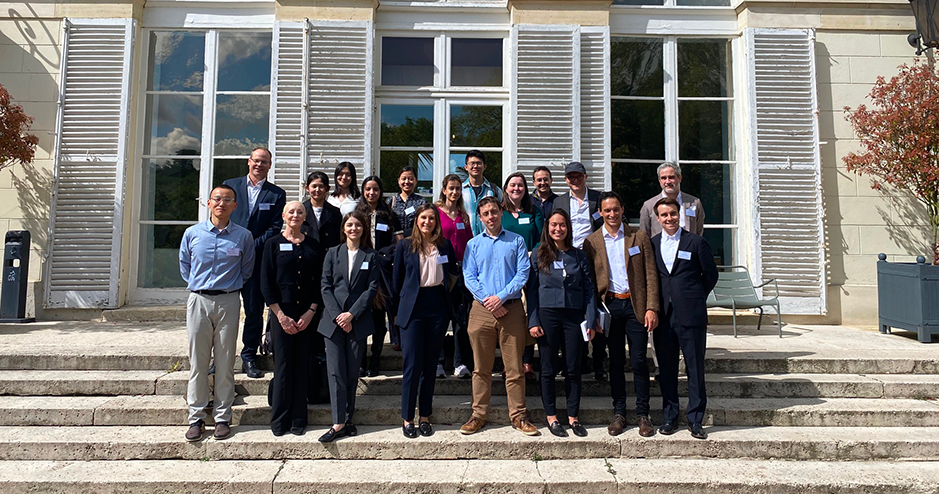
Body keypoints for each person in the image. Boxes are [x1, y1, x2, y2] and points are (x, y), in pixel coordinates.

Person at [179, 184, 255, 442]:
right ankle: (196, 418)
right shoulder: (192, 233)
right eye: (217, 199)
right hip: (198, 300)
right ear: (208, 203)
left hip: (229, 301)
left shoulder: (243, 236)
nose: (222, 204)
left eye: (228, 200)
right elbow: (185, 265)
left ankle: (223, 417)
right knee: (198, 363)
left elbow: (247, 269)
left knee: (225, 361)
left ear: (235, 206)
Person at [583, 191, 660, 438]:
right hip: (610, 308)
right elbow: (590, 282)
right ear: (600, 213)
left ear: (622, 209)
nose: (612, 214)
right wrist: (593, 312)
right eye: (607, 210)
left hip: (635, 306)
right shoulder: (592, 241)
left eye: (616, 209)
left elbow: (651, 274)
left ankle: (643, 414)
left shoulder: (638, 237)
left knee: (638, 361)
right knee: (615, 362)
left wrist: (651, 307)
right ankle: (619, 412)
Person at [459, 197, 538, 436]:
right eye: (486, 213)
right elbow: (469, 276)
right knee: (481, 368)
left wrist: (501, 298)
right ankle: (478, 415)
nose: (491, 217)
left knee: (514, 368)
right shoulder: (473, 245)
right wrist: (490, 301)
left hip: (511, 309)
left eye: (494, 212)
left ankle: (519, 415)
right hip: (482, 310)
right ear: (480, 217)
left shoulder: (517, 241)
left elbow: (522, 273)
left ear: (500, 213)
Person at [650, 197, 718, 440]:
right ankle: (669, 416)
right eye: (664, 215)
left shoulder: (696, 242)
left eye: (673, 214)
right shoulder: (652, 244)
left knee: (695, 368)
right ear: (658, 219)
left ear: (679, 214)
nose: (669, 218)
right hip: (663, 317)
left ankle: (696, 419)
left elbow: (710, 275)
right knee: (666, 369)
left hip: (691, 315)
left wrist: (694, 297)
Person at [526, 209, 596, 438]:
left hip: (574, 316)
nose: (558, 229)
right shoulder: (539, 253)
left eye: (562, 225)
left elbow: (589, 290)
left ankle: (573, 416)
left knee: (573, 367)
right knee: (547, 368)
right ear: (547, 227)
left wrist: (591, 319)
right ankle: (552, 416)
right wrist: (533, 320)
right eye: (554, 225)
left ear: (568, 228)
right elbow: (532, 291)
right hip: (548, 315)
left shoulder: (578, 255)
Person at [393, 204, 460, 438]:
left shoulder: (444, 245)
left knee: (431, 365)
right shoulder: (404, 246)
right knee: (412, 364)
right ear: (417, 220)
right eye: (423, 218)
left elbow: (452, 274)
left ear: (436, 222)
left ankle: (425, 416)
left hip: (437, 307)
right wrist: (397, 313)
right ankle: (407, 417)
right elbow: (397, 281)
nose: (427, 222)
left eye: (432, 218)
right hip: (413, 308)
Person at [260, 201, 323, 436]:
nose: (295, 215)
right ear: (284, 216)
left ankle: (299, 418)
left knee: (302, 365)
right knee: (283, 366)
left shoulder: (314, 246)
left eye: (300, 212)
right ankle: (279, 419)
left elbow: (320, 282)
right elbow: (266, 282)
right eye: (291, 212)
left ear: (305, 217)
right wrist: (280, 315)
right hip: (281, 313)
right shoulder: (273, 244)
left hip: (306, 314)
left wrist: (311, 312)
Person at [223, 147, 287, 379]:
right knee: (223, 312)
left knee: (252, 311)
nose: (259, 165)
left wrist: (249, 245)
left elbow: (273, 228)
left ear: (270, 166)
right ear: (248, 162)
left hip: (257, 261)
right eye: (256, 161)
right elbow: (222, 216)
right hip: (229, 261)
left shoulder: (276, 194)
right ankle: (220, 359)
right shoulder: (231, 186)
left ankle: (249, 355)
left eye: (265, 162)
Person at [317, 210, 380, 442]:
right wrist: (338, 316)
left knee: (352, 372)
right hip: (333, 324)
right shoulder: (333, 253)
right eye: (350, 225)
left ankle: (348, 417)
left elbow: (371, 289)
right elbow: (325, 286)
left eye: (358, 225)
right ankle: (338, 421)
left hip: (358, 322)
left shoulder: (370, 256)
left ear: (364, 229)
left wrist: (351, 314)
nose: (354, 228)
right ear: (343, 229)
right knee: (335, 372)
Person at [552, 161, 605, 381]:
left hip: (595, 258)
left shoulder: (598, 198)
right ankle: (574, 361)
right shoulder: (560, 200)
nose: (574, 180)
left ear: (585, 177)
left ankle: (600, 363)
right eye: (570, 177)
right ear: (566, 179)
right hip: (570, 257)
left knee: (598, 307)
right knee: (573, 309)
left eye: (578, 176)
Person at [356, 175, 401, 377]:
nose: (371, 193)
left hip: (382, 271)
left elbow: (399, 242)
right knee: (360, 316)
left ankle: (375, 358)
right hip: (361, 270)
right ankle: (360, 360)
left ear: (380, 191)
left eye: (375, 189)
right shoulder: (357, 214)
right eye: (368, 189)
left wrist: (386, 254)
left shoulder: (389, 215)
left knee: (378, 317)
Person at [500, 172, 544, 379]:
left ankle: (527, 361)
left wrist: (530, 254)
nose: (516, 188)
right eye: (512, 185)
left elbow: (542, 238)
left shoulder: (534, 211)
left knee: (528, 313)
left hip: (530, 267)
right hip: (506, 269)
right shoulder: (500, 212)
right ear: (506, 188)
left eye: (520, 185)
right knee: (510, 315)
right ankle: (510, 362)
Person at [436, 174, 474, 379]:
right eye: (451, 188)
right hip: (441, 269)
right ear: (444, 190)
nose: (454, 192)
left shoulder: (463, 216)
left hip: (461, 270)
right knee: (442, 317)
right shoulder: (436, 212)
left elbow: (469, 245)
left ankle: (460, 363)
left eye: (458, 188)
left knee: (461, 319)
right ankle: (439, 362)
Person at [639, 162, 705, 238]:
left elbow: (699, 231)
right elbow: (644, 235)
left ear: (680, 178)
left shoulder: (694, 203)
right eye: (664, 178)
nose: (667, 182)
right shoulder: (648, 206)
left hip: (688, 248)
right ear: (659, 180)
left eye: (671, 177)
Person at [461, 150, 503, 236]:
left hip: (490, 240)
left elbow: (503, 214)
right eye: (472, 163)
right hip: (466, 241)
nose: (475, 166)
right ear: (466, 167)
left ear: (484, 166)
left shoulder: (495, 190)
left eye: (479, 163)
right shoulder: (460, 191)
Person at [302, 171, 342, 251]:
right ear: (307, 188)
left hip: (328, 256)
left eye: (321, 186)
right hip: (306, 255)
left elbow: (338, 238)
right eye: (314, 186)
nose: (317, 190)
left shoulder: (335, 212)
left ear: (327, 188)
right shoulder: (300, 210)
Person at [389, 166, 427, 238]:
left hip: (415, 240)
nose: (407, 182)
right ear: (398, 181)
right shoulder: (391, 201)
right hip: (395, 242)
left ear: (416, 181)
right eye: (404, 179)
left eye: (410, 179)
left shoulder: (422, 202)